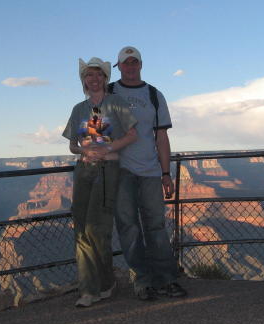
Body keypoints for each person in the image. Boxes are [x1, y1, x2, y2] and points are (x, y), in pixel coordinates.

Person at [109, 46, 187, 300]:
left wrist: (166, 173)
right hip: (120, 172)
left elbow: (161, 137)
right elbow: (95, 128)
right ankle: (142, 281)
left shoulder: (154, 95)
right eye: (126, 63)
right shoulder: (109, 92)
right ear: (118, 66)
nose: (131, 66)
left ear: (141, 65)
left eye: (135, 62)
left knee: (155, 226)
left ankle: (166, 279)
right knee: (129, 228)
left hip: (151, 171)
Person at [62, 57, 137, 307]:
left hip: (107, 169)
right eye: (89, 75)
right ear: (83, 80)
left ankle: (90, 290)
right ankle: (103, 284)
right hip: (84, 170)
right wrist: (83, 149)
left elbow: (132, 134)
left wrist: (108, 148)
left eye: (98, 75)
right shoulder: (78, 109)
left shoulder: (116, 103)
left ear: (105, 78)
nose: (94, 79)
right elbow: (72, 145)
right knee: (81, 228)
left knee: (96, 229)